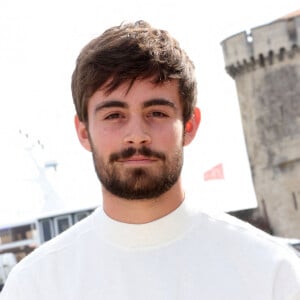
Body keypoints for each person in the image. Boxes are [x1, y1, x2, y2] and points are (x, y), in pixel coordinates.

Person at [1, 20, 300, 300]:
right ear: (83, 132)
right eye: (114, 115)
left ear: (190, 125)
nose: (137, 135)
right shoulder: (34, 287)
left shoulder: (272, 272)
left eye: (156, 113)